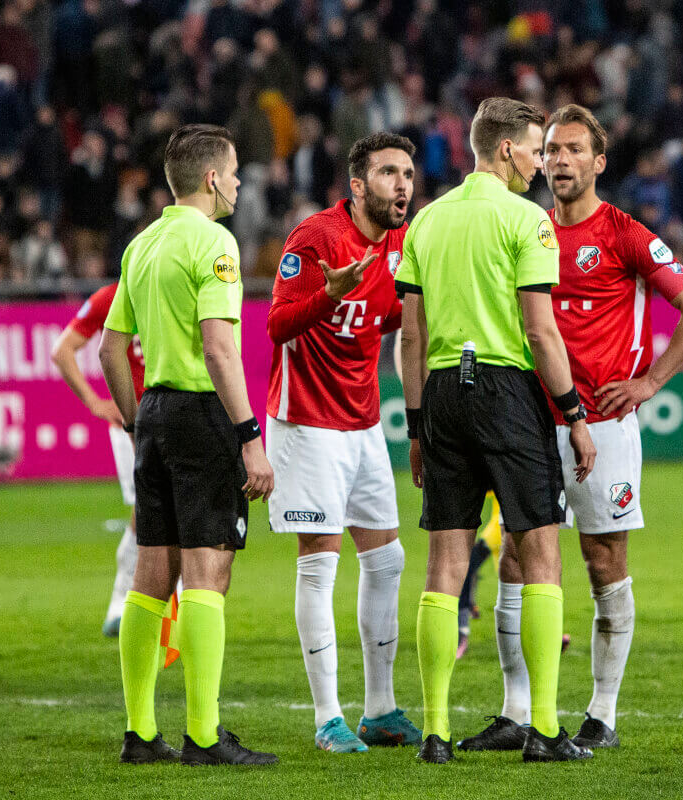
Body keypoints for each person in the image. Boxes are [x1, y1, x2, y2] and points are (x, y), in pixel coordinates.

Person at [458, 104, 683, 752]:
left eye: (575, 150)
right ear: (537, 159)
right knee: (517, 558)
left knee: (603, 562)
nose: (561, 161)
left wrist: (651, 382)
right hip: (529, 423)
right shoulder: (528, 230)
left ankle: (602, 713)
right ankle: (517, 711)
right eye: (551, 150)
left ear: (599, 161)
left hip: (602, 426)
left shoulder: (625, 234)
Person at [395, 96, 597, 764]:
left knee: (444, 565)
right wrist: (573, 414)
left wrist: (418, 424)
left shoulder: (425, 222)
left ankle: (433, 732)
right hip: (506, 389)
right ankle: (543, 729)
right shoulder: (527, 220)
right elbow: (540, 329)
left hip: (444, 393)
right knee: (539, 555)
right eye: (538, 149)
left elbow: (411, 337)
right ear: (507, 149)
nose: (542, 163)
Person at [99, 124, 277, 766]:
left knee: (151, 576)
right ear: (211, 179)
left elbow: (110, 347)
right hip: (204, 415)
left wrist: (134, 418)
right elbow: (219, 347)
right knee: (207, 573)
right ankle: (204, 735)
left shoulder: (141, 245)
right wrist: (249, 438)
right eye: (232, 174)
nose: (235, 183)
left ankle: (141, 733)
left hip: (154, 414)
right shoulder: (216, 244)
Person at [265, 132, 422, 753]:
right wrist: (326, 293)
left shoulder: (402, 246)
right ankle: (327, 717)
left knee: (387, 560)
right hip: (307, 423)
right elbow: (276, 324)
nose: (403, 185)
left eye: (408, 174)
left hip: (363, 425)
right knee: (320, 563)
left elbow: (385, 318)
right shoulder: (315, 238)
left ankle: (379, 709)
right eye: (388, 174)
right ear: (357, 187)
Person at [51, 284, 146, 637]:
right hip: (133, 418)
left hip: (172, 413)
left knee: (165, 508)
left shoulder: (170, 284)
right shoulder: (113, 296)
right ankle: (123, 601)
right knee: (149, 508)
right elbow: (63, 351)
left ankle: (153, 604)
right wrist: (94, 402)